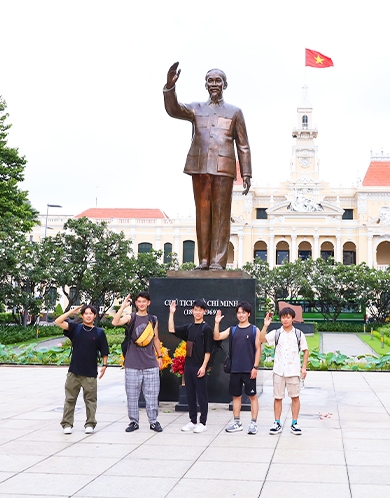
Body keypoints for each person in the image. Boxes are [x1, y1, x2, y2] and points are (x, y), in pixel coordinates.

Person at [163, 63, 251, 270]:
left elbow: (243, 144)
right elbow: (173, 109)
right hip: (200, 166)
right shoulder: (196, 109)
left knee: (221, 215)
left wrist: (246, 173)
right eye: (210, 81)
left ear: (225, 85)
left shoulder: (235, 112)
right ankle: (203, 260)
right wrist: (169, 87)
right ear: (205, 85)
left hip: (224, 168)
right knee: (202, 214)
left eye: (218, 81)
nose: (214, 84)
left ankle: (218, 262)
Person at [112, 292, 163, 433]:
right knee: (132, 395)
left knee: (152, 395)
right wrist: (123, 307)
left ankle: (153, 422)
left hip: (150, 364)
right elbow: (115, 322)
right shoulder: (131, 317)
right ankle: (133, 422)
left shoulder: (153, 319)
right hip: (132, 364)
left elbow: (155, 339)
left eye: (144, 301)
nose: (141, 304)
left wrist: (160, 356)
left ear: (148, 303)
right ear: (136, 303)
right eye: (139, 301)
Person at [54, 304, 108, 435]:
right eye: (86, 313)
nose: (88, 315)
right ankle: (67, 423)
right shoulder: (75, 329)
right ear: (82, 315)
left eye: (91, 313)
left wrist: (104, 366)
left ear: (95, 316)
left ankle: (90, 423)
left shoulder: (99, 332)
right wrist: (71, 312)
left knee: (90, 400)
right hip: (74, 372)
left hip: (90, 373)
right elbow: (58, 322)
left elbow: (104, 351)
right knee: (70, 399)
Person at [214, 301, 263, 435]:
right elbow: (217, 336)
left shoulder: (254, 330)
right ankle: (237, 422)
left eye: (243, 312)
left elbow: (258, 349)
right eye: (239, 312)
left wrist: (255, 367)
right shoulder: (233, 330)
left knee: (252, 396)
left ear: (248, 314)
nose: (241, 315)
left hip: (249, 370)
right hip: (235, 369)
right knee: (236, 396)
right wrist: (217, 322)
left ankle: (253, 423)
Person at [259, 307, 309, 435]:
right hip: (279, 371)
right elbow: (261, 339)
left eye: (288, 317)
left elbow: (305, 350)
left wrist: (303, 368)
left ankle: (294, 423)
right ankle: (277, 422)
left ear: (292, 318)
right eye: (283, 317)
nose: (285, 320)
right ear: (280, 319)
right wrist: (265, 326)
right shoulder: (276, 333)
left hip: (293, 371)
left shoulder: (298, 334)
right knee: (278, 397)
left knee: (295, 397)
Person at [168, 299, 214, 433]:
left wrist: (204, 366)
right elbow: (171, 329)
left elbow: (208, 350)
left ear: (204, 311)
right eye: (195, 309)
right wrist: (172, 313)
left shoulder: (207, 329)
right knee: (190, 395)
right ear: (192, 311)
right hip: (188, 366)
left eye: (200, 310)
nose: (198, 312)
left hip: (200, 366)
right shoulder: (189, 327)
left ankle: (203, 422)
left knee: (202, 395)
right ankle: (193, 421)